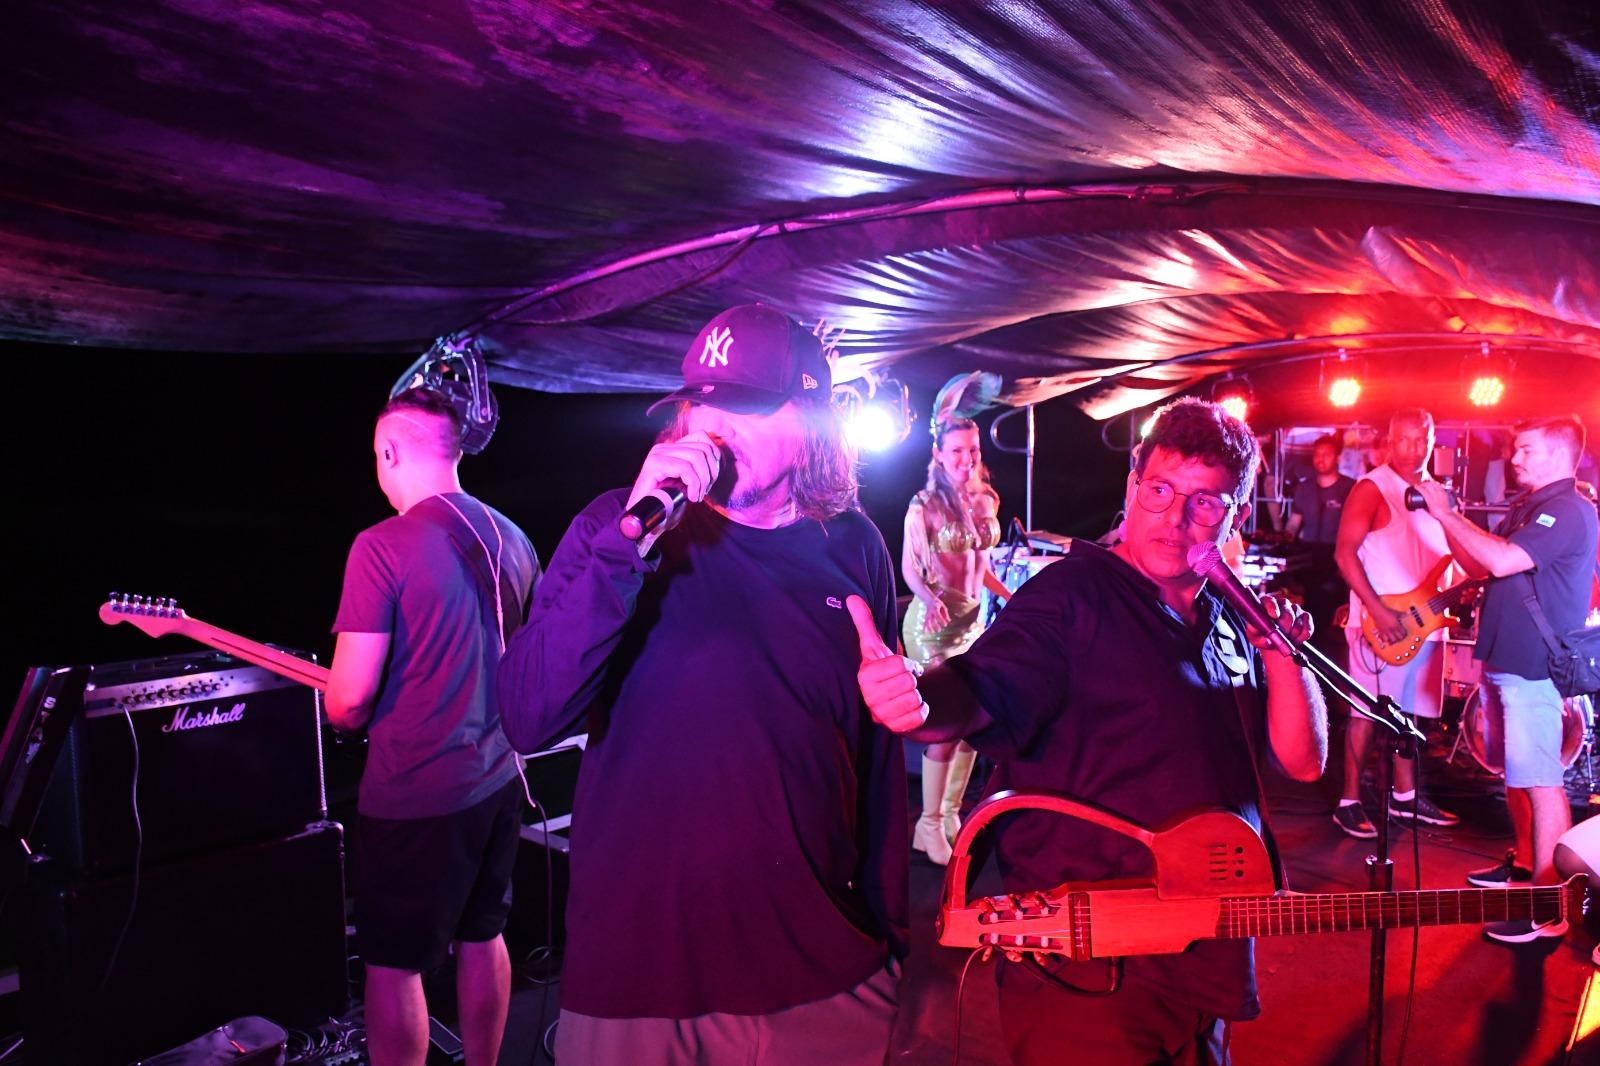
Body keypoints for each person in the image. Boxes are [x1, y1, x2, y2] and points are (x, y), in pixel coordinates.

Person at [853, 396, 1327, 1066]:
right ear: (1133, 485)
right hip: (1090, 976)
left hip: (1203, 958)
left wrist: (1281, 651)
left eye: (1205, 501)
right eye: (1159, 489)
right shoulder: (1071, 597)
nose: (1174, 516)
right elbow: (979, 688)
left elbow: (1303, 763)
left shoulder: (1226, 615)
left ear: (1238, 514)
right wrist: (923, 703)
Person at [497, 304, 907, 1064]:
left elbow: (876, 762)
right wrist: (632, 541)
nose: (712, 426)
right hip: (638, 992)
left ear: (814, 418)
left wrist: (890, 939)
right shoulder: (612, 530)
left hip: (822, 981)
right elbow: (526, 716)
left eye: (745, 404)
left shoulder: (854, 546)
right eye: (701, 401)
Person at [325, 388, 539, 1066]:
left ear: (390, 452)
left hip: (416, 794)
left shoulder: (380, 546)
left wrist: (342, 705)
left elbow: (349, 700)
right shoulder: (514, 536)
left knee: (394, 965)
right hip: (500, 782)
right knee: (484, 934)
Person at [1414, 415, 1599, 943]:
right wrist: (1446, 522)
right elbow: (1478, 564)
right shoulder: (1531, 506)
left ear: (1560, 453)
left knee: (1542, 784)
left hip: (1535, 668)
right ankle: (1524, 870)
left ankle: (1549, 909)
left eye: (1525, 450)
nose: (1513, 459)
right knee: (1518, 776)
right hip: (1506, 662)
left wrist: (1449, 512)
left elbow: (1500, 562)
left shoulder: (1567, 510)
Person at [1330, 408, 1460, 839]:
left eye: (1422, 440)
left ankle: (1404, 799)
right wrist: (1378, 611)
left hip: (1425, 622)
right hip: (1378, 622)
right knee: (1366, 712)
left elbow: (1443, 560)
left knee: (1412, 715)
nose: (1414, 449)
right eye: (1404, 440)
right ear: (1388, 442)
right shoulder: (1373, 488)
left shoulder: (1437, 493)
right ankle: (1348, 802)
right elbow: (1345, 554)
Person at [901, 416, 1011, 865]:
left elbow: (979, 566)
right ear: (939, 455)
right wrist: (927, 597)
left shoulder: (985, 500)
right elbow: (909, 568)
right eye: (958, 451)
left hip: (969, 624)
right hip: (931, 628)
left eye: (973, 450)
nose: (967, 459)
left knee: (973, 728)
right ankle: (926, 826)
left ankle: (948, 815)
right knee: (946, 729)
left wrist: (1010, 595)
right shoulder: (924, 505)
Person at [1287, 434, 1356, 657]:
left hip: (1337, 560)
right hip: (1308, 558)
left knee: (1332, 623)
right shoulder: (1304, 488)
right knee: (1309, 617)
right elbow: (1294, 524)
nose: (1320, 459)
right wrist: (1279, 543)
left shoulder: (1350, 488)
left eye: (1326, 454)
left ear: (1337, 457)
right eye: (1317, 454)